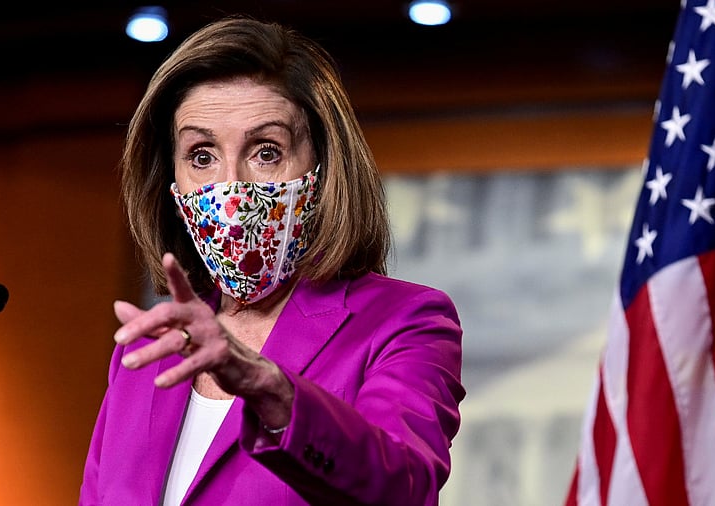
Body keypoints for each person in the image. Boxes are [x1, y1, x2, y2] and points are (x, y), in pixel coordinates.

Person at [80, 16, 464, 506]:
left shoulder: (404, 321)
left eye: (266, 151)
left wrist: (271, 390)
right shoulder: (146, 353)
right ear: (169, 178)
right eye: (201, 155)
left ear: (323, 169)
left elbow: (402, 487)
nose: (231, 188)